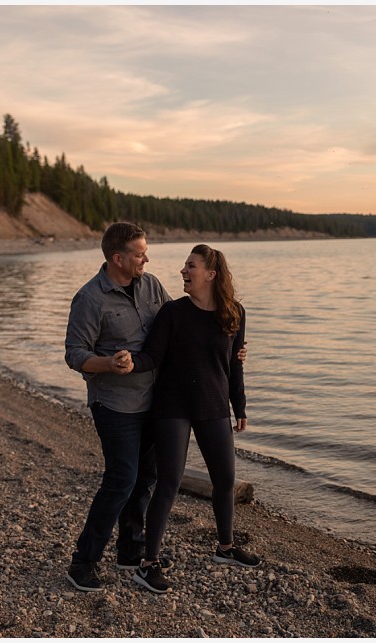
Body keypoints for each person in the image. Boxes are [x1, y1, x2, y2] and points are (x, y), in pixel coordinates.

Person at [63, 225, 245, 592]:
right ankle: (83, 561)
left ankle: (130, 550)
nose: (146, 258)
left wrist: (228, 349)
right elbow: (75, 354)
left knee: (146, 479)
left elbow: (181, 330)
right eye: (139, 253)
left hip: (157, 401)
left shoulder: (151, 287)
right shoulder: (90, 298)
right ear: (119, 258)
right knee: (122, 480)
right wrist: (108, 364)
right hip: (115, 403)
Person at [123, 244, 259, 594]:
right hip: (173, 407)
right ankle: (148, 563)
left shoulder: (234, 314)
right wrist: (125, 362)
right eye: (185, 265)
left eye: (191, 266)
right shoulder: (173, 313)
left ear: (211, 274)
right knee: (168, 482)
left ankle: (225, 549)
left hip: (214, 407)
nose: (184, 270)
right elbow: (151, 356)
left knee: (225, 480)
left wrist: (239, 406)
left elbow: (234, 366)